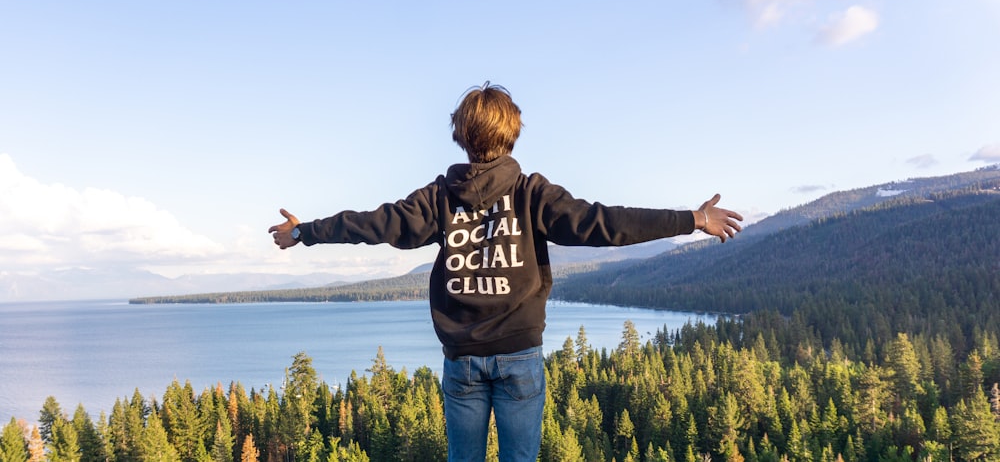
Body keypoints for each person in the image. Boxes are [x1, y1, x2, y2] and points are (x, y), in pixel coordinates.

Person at [268, 82, 743, 461]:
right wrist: (693, 220)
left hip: (462, 361)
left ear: (461, 135)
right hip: (519, 357)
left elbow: (374, 224)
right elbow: (604, 223)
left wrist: (306, 231)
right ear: (511, 133)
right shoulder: (532, 193)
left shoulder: (438, 198)